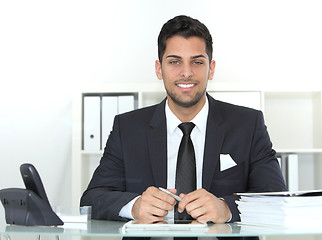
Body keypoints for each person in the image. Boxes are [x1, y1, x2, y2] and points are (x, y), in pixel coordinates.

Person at [80, 15, 286, 227]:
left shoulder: (248, 124)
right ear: (159, 69)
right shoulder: (128, 128)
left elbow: (275, 198)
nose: (186, 73)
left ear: (211, 69)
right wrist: (134, 206)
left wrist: (226, 209)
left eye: (197, 62)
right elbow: (92, 199)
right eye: (175, 62)